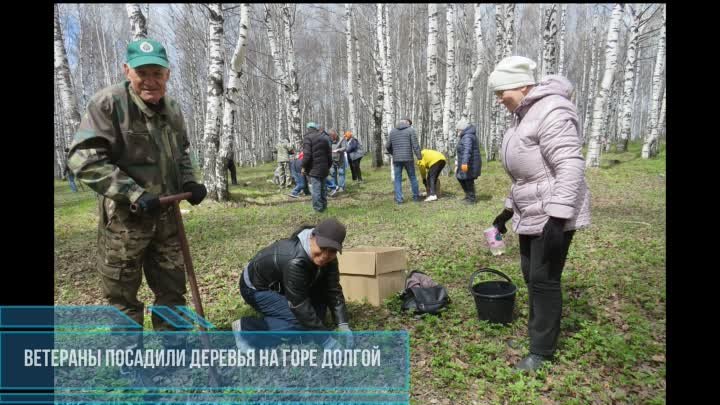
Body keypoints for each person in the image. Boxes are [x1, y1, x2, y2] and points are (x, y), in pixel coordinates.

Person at [66, 39, 207, 346]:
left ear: (167, 74)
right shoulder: (108, 104)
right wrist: (132, 193)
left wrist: (189, 182)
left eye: (157, 72)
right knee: (122, 294)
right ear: (126, 70)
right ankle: (130, 357)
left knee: (172, 287)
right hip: (125, 223)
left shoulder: (172, 108)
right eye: (142, 72)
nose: (150, 81)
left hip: (167, 219)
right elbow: (82, 159)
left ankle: (174, 347)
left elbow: (182, 152)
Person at [488, 56, 591, 371]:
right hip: (532, 211)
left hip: (552, 213)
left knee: (544, 280)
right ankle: (537, 338)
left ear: (521, 85)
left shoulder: (552, 109)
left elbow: (570, 164)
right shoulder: (523, 115)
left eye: (500, 91)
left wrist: (558, 218)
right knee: (531, 276)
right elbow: (528, 176)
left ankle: (542, 353)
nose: (498, 99)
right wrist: (505, 213)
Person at [232, 218, 353, 349]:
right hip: (256, 288)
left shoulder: (330, 259)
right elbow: (299, 305)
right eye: (322, 248)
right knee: (301, 321)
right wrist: (326, 341)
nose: (325, 255)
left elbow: (332, 288)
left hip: (285, 284)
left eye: (332, 251)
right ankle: (246, 328)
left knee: (317, 318)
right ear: (313, 237)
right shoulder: (294, 260)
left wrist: (342, 324)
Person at [386, 118, 422, 204]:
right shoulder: (410, 130)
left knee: (397, 179)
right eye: (409, 123)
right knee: (412, 177)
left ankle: (399, 200)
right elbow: (415, 145)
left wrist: (393, 153)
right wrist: (419, 156)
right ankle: (416, 197)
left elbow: (387, 146)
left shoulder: (392, 131)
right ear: (407, 123)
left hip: (397, 159)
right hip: (408, 158)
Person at [301, 122, 332, 212]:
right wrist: (328, 165)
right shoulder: (324, 138)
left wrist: (303, 166)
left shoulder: (307, 138)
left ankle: (318, 209)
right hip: (324, 167)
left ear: (308, 129)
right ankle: (324, 207)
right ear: (316, 128)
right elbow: (329, 154)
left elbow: (307, 155)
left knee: (316, 190)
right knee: (323, 189)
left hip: (314, 168)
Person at [454, 118, 482, 204]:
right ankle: (468, 196)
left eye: (458, 129)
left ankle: (471, 199)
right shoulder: (466, 136)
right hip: (467, 162)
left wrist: (465, 163)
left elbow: (467, 150)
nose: (457, 131)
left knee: (467, 179)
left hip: (470, 163)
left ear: (462, 129)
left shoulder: (467, 137)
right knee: (461, 177)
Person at [327, 129, 347, 196]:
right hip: (332, 160)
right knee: (333, 174)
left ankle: (341, 187)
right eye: (331, 137)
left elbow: (345, 148)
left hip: (340, 160)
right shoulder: (329, 140)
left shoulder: (342, 139)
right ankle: (334, 187)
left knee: (341, 173)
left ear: (335, 134)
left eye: (333, 136)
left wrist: (339, 150)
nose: (332, 138)